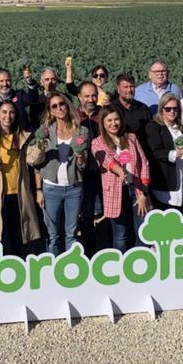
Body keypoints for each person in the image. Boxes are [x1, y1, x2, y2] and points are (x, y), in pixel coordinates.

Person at [0, 101, 45, 257]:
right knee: (0, 238)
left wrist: (40, 146)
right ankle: (1, 273)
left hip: (18, 194)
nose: (7, 116)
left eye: (11, 112)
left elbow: (33, 160)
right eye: (4, 112)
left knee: (19, 236)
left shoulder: (23, 137)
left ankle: (19, 270)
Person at [34, 93, 89, 256]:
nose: (59, 108)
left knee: (71, 234)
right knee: (53, 235)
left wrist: (81, 157)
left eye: (62, 104)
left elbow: (83, 165)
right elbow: (37, 164)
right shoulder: (45, 132)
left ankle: (70, 269)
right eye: (54, 106)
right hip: (51, 188)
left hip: (74, 188)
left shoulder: (82, 131)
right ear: (50, 111)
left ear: (67, 106)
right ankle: (53, 270)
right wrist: (38, 190)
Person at [91, 104, 151, 251]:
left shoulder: (131, 138)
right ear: (103, 123)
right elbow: (106, 160)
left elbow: (144, 163)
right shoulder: (97, 142)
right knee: (120, 235)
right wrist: (119, 170)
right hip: (115, 192)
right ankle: (120, 267)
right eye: (109, 120)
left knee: (143, 231)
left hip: (136, 190)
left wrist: (144, 193)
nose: (113, 124)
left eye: (116, 119)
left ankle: (140, 263)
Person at [143, 94, 183, 211]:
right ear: (161, 110)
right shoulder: (154, 127)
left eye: (175, 108)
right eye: (168, 109)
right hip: (165, 183)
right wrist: (174, 154)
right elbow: (154, 152)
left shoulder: (181, 128)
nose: (172, 111)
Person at [75, 81, 106, 255]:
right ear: (79, 97)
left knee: (111, 210)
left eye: (93, 95)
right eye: (86, 96)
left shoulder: (104, 114)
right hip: (84, 173)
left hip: (105, 171)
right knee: (86, 214)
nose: (90, 99)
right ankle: (90, 252)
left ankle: (111, 248)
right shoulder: (74, 118)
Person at [111, 73, 150, 137]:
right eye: (125, 87)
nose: (129, 90)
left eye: (131, 86)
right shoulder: (111, 109)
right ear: (118, 89)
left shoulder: (143, 109)